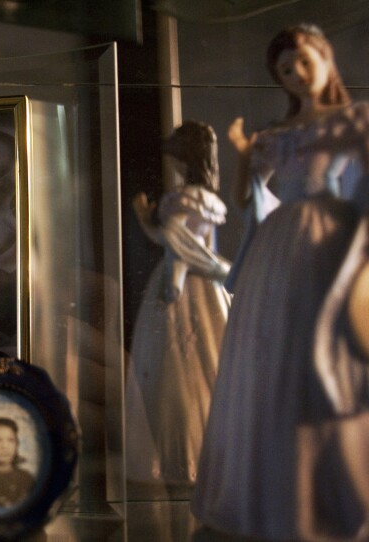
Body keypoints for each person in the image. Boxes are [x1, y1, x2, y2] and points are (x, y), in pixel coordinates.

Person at [192, 25, 369, 540]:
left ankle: (334, 491)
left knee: (324, 356)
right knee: (272, 360)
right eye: (285, 70)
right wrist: (243, 155)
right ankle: (271, 491)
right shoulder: (274, 137)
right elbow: (245, 202)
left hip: (329, 244)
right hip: (278, 245)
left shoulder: (353, 121)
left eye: (303, 62)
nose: (296, 75)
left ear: (324, 58)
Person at [126, 121, 231, 487]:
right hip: (204, 286)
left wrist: (173, 282)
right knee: (202, 364)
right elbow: (176, 238)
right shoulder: (205, 198)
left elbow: (178, 244)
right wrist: (145, 220)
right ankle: (202, 455)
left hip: (183, 285)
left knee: (181, 367)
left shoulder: (185, 197)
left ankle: (186, 457)